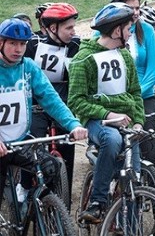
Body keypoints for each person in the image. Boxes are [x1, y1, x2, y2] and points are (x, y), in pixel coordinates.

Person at [68, 2, 145, 223]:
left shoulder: (125, 57)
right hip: (98, 121)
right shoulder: (83, 59)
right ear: (116, 30)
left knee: (134, 177)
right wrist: (107, 115)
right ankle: (97, 201)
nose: (131, 34)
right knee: (111, 140)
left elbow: (135, 93)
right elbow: (76, 101)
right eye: (129, 29)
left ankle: (130, 226)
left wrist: (138, 122)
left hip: (127, 121)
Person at [0, 18, 88, 208]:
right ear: (1, 43)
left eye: (23, 44)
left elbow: (51, 99)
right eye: (13, 43)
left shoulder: (29, 67)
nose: (18, 49)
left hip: (20, 140)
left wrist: (73, 124)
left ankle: (40, 209)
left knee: (50, 167)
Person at [23, 3, 81, 198]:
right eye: (69, 28)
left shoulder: (77, 47)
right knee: (31, 143)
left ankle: (63, 198)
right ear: (52, 28)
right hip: (36, 105)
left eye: (74, 27)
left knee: (67, 146)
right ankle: (24, 188)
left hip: (62, 105)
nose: (73, 32)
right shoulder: (32, 45)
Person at [109, 0, 155, 179]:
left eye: (137, 7)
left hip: (143, 97)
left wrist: (135, 93)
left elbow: (154, 70)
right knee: (118, 151)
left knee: (153, 154)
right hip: (115, 99)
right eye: (130, 8)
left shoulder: (146, 30)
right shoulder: (103, 33)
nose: (135, 12)